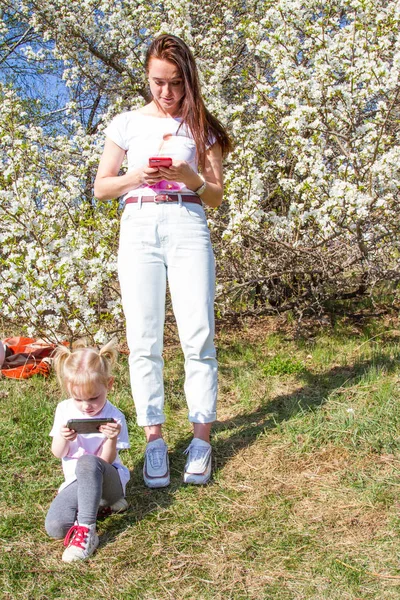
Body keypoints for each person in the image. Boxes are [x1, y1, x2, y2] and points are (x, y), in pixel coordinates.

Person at [94, 34, 231, 488]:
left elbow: (214, 197)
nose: (166, 93)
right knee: (144, 337)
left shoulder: (203, 127)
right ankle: (154, 439)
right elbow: (102, 187)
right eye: (158, 82)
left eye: (175, 83)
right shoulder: (127, 123)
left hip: (188, 224)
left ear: (188, 80)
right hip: (139, 226)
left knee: (198, 333)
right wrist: (138, 175)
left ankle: (201, 439)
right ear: (148, 78)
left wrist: (190, 176)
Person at [45, 340, 130, 563]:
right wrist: (64, 437)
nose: (86, 406)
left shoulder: (115, 416)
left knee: (87, 462)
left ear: (109, 384)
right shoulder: (64, 410)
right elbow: (57, 452)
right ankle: (100, 506)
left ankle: (87, 529)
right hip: (75, 482)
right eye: (78, 399)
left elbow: (105, 462)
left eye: (93, 398)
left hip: (109, 481)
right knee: (55, 527)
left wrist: (111, 439)